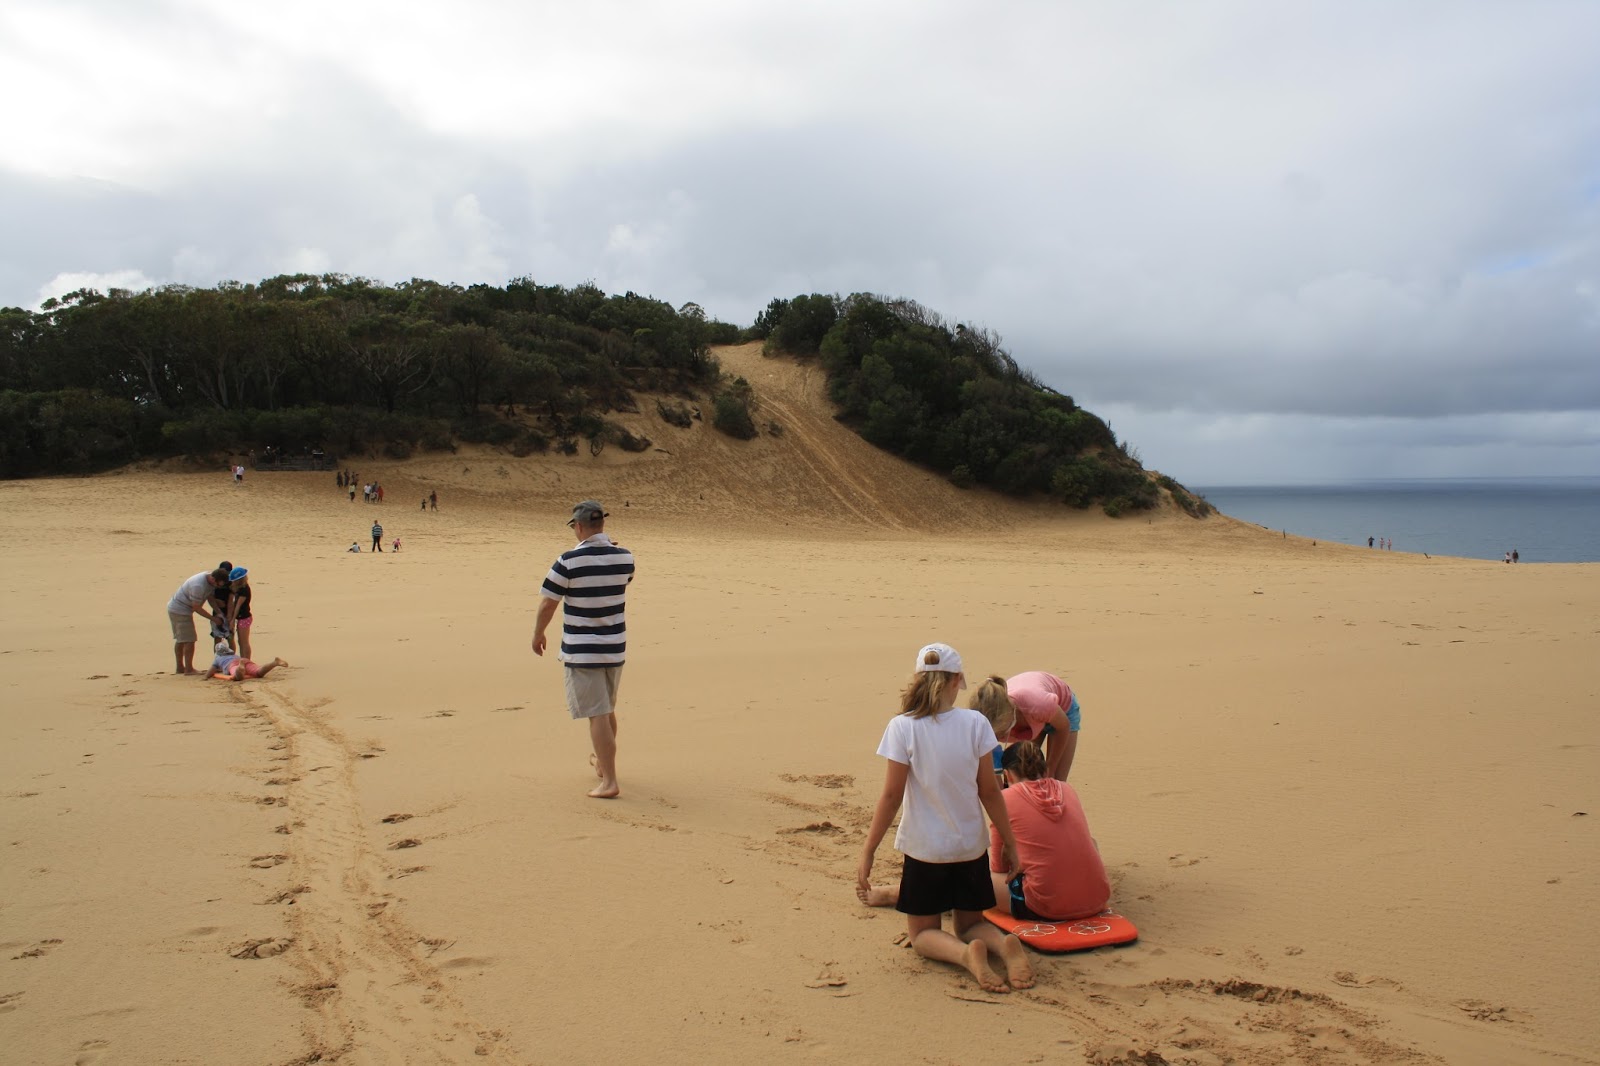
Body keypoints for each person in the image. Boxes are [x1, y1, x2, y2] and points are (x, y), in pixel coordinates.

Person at [856, 643, 1033, 994]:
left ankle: (966, 955)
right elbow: (989, 791)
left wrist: (869, 850)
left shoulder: (902, 727)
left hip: (926, 850)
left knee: (923, 933)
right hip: (970, 847)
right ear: (958, 680)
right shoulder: (976, 723)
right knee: (970, 923)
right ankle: (1002, 946)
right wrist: (1011, 844)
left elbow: (891, 796)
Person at [532, 500, 636, 799]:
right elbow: (623, 578)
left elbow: (548, 603)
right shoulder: (625, 557)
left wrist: (538, 633)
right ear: (601, 524)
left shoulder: (568, 561)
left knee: (597, 714)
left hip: (583, 649)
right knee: (606, 709)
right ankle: (604, 766)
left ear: (578, 526)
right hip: (614, 646)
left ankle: (610, 781)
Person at [988, 742, 1110, 921]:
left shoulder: (1004, 800)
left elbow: (999, 867)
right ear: (1044, 770)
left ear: (1007, 775)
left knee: (982, 877)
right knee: (1091, 842)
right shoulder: (1067, 789)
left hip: (1045, 906)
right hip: (1097, 899)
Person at [1004, 671, 1082, 781]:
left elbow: (1064, 727)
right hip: (1029, 713)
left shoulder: (1038, 705)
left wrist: (1051, 766)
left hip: (1062, 711)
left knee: (1055, 780)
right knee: (1021, 771)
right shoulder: (991, 720)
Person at [166, 568, 229, 674]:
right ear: (213, 579)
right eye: (218, 585)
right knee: (189, 640)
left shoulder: (209, 581)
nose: (218, 587)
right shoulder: (198, 586)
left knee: (181, 639)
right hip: (180, 610)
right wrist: (213, 619)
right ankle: (189, 669)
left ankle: (180, 668)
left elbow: (210, 597)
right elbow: (196, 607)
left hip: (177, 608)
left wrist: (218, 612)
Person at [204, 638, 288, 682]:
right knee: (258, 672)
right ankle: (274, 663)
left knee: (238, 677)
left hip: (232, 664)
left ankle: (240, 669)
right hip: (243, 660)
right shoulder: (234, 654)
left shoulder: (218, 658)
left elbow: (210, 672)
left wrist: (205, 677)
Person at [225, 567, 256, 661]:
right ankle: (244, 660)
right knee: (241, 642)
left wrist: (232, 620)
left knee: (244, 642)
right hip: (242, 617)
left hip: (244, 618)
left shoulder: (244, 590)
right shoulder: (240, 588)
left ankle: (246, 661)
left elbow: (238, 606)